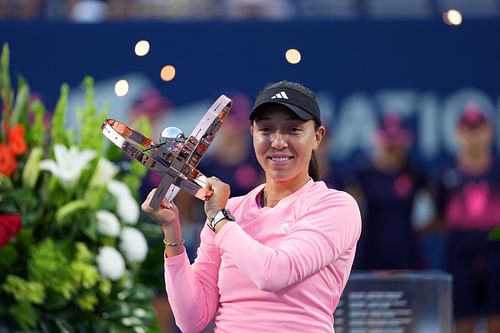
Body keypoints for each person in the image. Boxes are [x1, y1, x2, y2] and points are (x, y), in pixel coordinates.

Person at [141, 80, 362, 333]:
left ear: (317, 137)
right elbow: (191, 319)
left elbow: (274, 274)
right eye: (266, 129)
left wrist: (219, 218)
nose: (278, 142)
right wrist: (172, 230)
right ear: (252, 134)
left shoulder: (336, 207)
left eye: (293, 129)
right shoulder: (229, 210)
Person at [431, 103, 500, 333]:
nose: (474, 136)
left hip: (496, 245)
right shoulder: (447, 174)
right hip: (460, 250)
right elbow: (439, 214)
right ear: (459, 134)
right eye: (468, 130)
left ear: (489, 131)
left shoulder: (497, 171)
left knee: (496, 318)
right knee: (462, 318)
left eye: (478, 129)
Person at [341, 113, 428, 271]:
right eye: (389, 145)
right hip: (370, 257)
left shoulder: (416, 175)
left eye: (397, 144)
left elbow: (430, 217)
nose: (393, 150)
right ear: (378, 141)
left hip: (407, 257)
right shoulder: (361, 176)